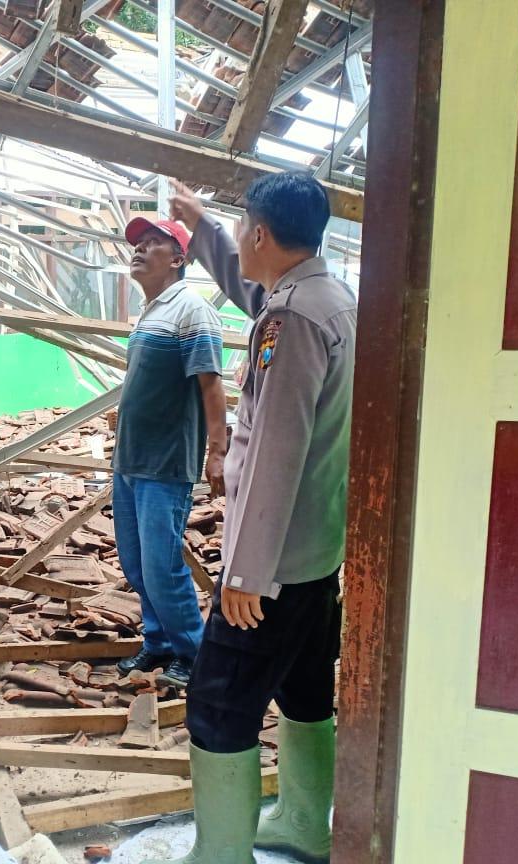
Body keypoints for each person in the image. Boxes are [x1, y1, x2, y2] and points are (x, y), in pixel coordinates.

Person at [144, 174, 356, 864]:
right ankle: (302, 820)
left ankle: (222, 854)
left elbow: (275, 453)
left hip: (276, 566)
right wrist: (203, 227)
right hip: (318, 552)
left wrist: (246, 574)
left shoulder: (290, 322)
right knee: (304, 688)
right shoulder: (330, 298)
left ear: (261, 234)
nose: (238, 240)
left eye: (239, 230)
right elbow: (254, 291)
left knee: (217, 706)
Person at [112, 216, 229, 689]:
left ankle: (193, 652)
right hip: (131, 460)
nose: (139, 249)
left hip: (166, 463)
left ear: (179, 259)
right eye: (137, 243)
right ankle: (158, 642)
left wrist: (217, 451)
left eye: (153, 243)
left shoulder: (191, 310)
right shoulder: (152, 310)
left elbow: (211, 385)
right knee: (137, 562)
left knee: (162, 565)